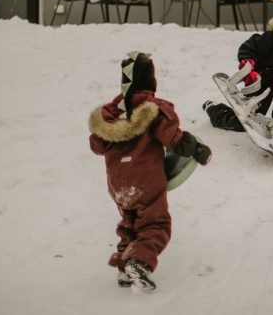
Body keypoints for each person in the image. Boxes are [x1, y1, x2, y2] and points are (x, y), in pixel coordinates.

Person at [89, 51, 212, 292]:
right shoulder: (153, 108)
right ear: (149, 80)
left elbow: (96, 145)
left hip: (118, 185)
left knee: (130, 223)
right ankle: (139, 262)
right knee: (156, 224)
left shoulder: (112, 114)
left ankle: (125, 267)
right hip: (145, 180)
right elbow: (175, 139)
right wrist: (197, 149)